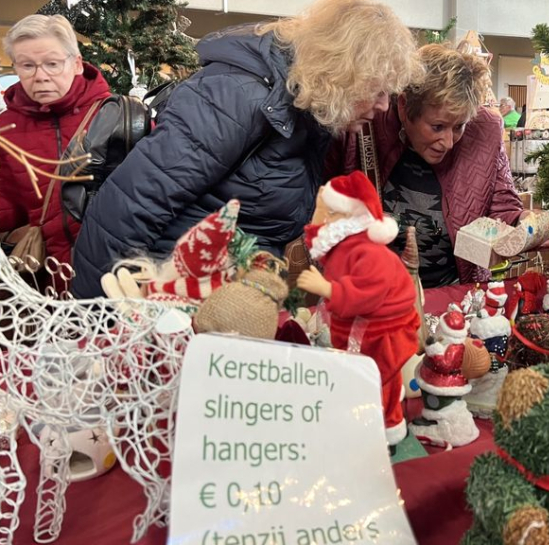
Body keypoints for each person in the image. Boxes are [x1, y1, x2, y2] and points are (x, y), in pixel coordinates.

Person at [71, 0, 422, 298]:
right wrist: (97, 323)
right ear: (342, 72)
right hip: (171, 296)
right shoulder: (238, 96)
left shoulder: (308, 109)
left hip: (226, 294)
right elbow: (128, 207)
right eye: (377, 90)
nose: (383, 106)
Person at [326, 44, 525, 288]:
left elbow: (504, 206)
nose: (448, 142)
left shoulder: (486, 130)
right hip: (373, 288)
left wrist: (524, 222)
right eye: (437, 127)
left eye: (459, 126)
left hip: (454, 288)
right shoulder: (369, 122)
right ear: (403, 107)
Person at [297, 171, 420, 449]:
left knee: (374, 379)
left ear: (347, 217)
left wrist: (328, 289)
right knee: (365, 378)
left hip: (381, 334)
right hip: (360, 326)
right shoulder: (345, 245)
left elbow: (370, 291)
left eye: (328, 213)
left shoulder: (369, 252)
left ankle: (383, 429)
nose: (319, 222)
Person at [0, 14, 111, 267]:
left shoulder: (117, 115)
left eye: (52, 64)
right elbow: (7, 204)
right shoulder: (6, 128)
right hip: (42, 275)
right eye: (27, 66)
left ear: (77, 64)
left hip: (111, 272)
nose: (40, 76)